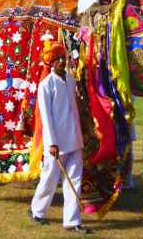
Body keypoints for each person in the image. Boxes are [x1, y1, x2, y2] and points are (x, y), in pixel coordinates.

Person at [29, 43, 91, 234]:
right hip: (56, 143)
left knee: (75, 180)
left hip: (74, 138)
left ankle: (72, 221)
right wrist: (52, 142)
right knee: (49, 178)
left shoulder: (71, 80)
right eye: (58, 59)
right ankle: (37, 211)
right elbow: (46, 117)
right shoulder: (46, 85)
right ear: (51, 61)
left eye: (63, 58)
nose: (62, 61)